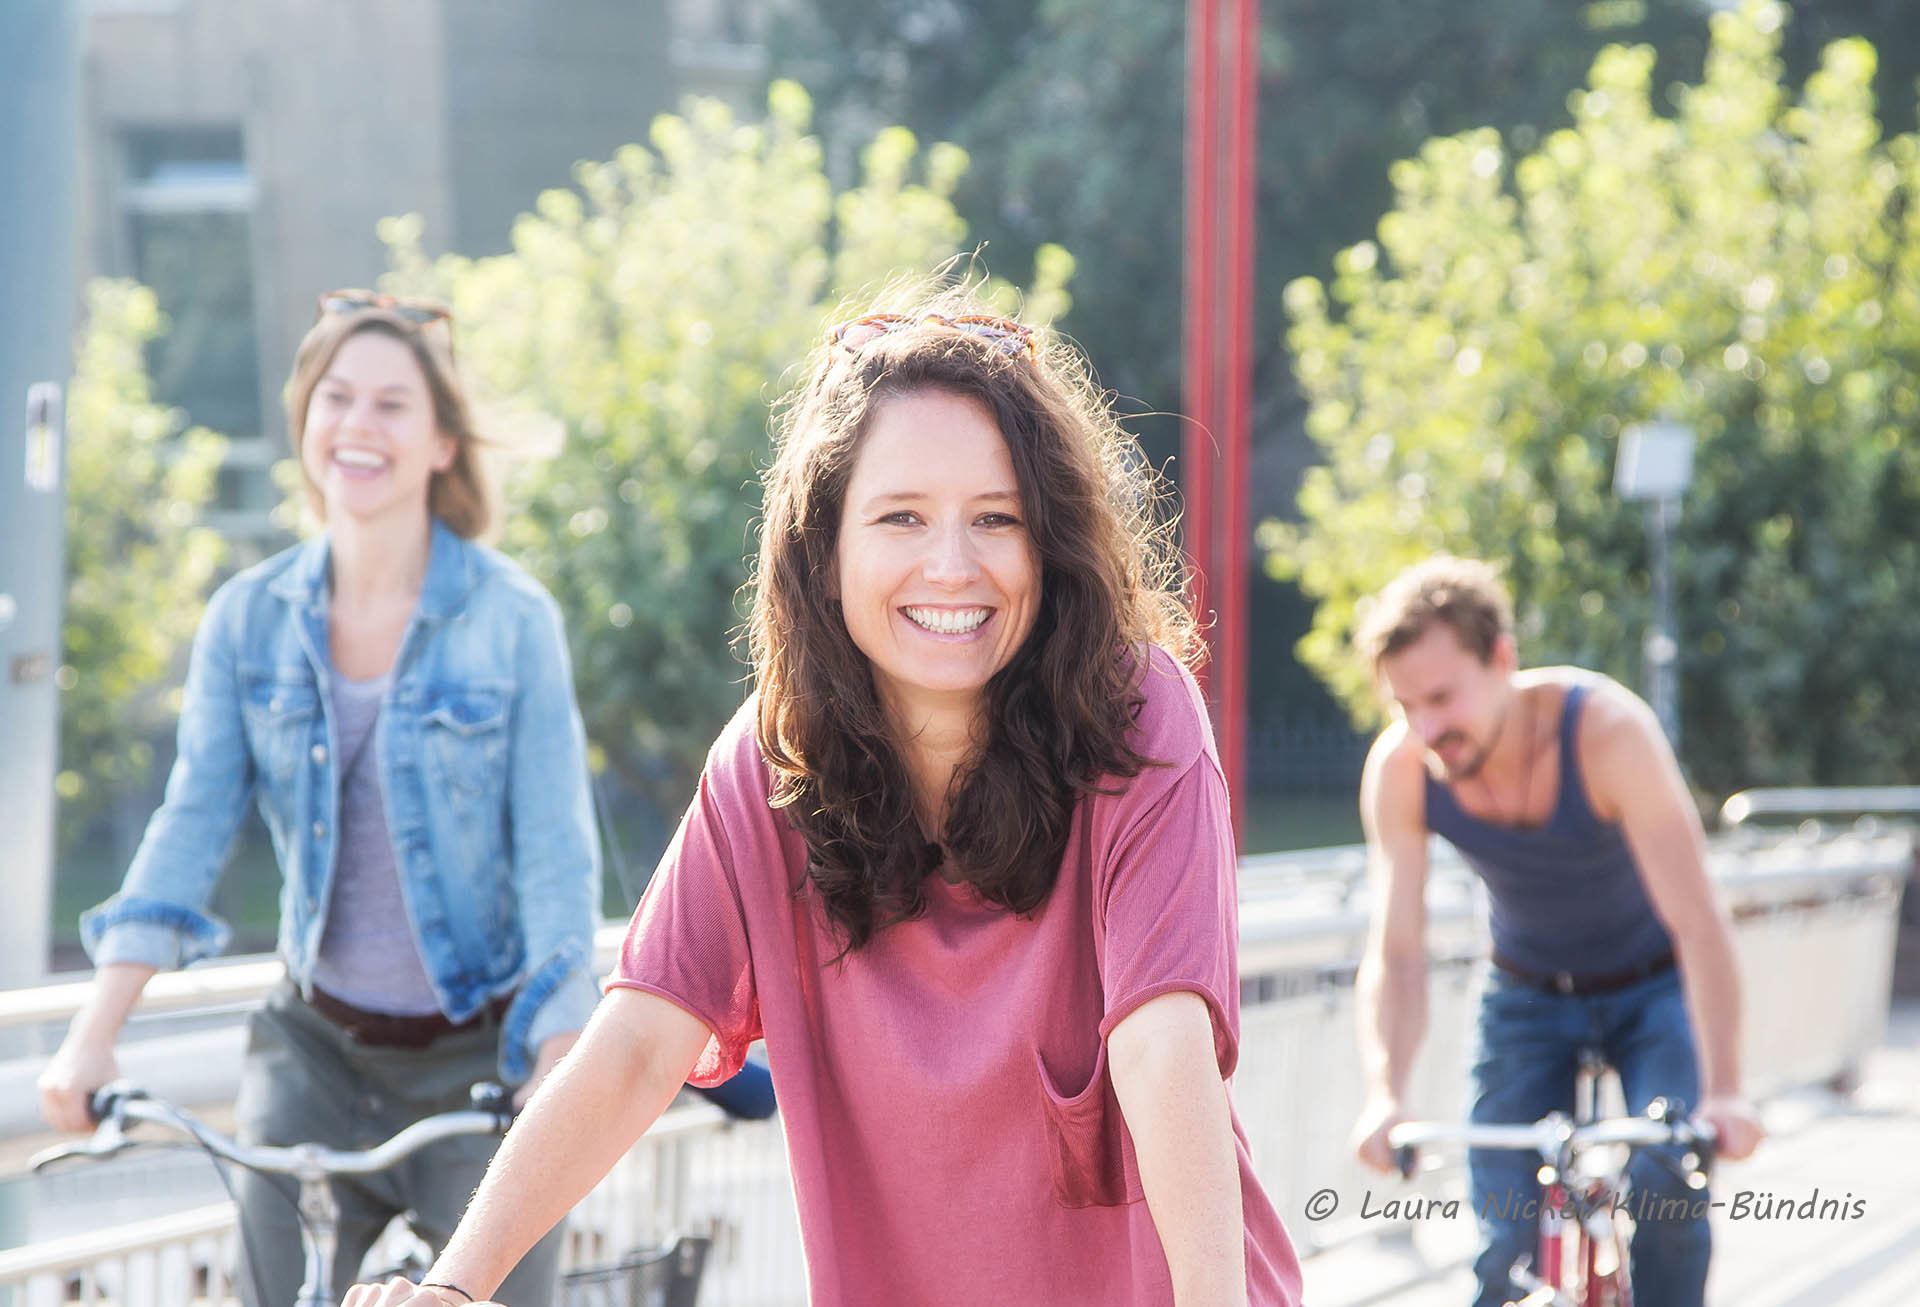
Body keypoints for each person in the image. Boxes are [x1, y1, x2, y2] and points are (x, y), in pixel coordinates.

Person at [345, 286, 1305, 1307]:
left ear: (1050, 545)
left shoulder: (1138, 712)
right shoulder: (768, 767)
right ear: (824, 547)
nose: (953, 564)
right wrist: (451, 1286)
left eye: (997, 518)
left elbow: (1164, 1047)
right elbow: (632, 1048)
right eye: (900, 516)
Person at [37, 288, 599, 1307]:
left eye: (392, 403)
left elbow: (558, 856)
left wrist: (555, 1067)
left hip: (478, 1050)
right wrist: (92, 1029)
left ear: (440, 442)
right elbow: (190, 824)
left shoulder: (513, 620)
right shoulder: (247, 620)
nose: (358, 424)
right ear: (304, 425)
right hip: (316, 1049)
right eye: (336, 397)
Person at [1346, 555, 1764, 1307]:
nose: (1428, 728)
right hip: (1525, 991)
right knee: (1504, 1239)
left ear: (1502, 659)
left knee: (1668, 1188)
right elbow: (1399, 950)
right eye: (1407, 705)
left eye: (1442, 696)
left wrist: (1727, 1091)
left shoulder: (1606, 733)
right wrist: (1385, 1094)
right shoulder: (1402, 770)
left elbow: (1698, 922)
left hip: (1653, 984)